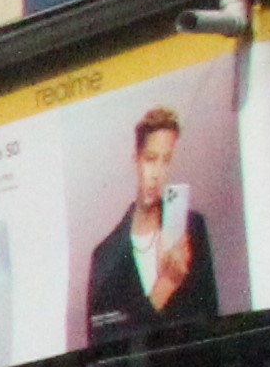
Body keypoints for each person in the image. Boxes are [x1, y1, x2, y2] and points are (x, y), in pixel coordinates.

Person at [85, 105, 218, 340]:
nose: (157, 173)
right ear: (136, 160)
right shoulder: (105, 257)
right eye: (150, 159)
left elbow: (210, 322)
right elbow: (103, 346)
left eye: (166, 161)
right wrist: (164, 287)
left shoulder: (193, 229)